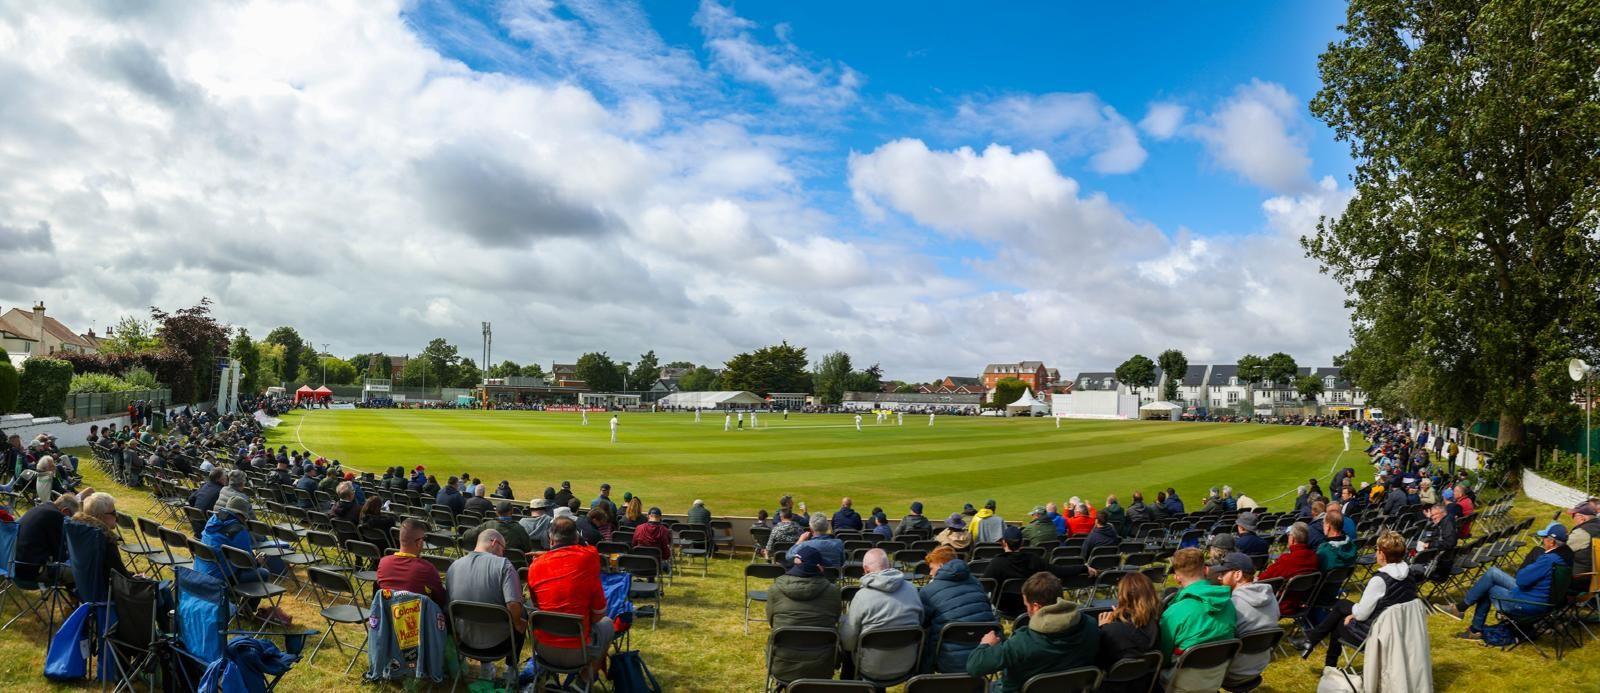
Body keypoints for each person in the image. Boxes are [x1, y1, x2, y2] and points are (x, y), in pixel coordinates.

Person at [966, 572, 1099, 693]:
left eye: (1026, 605)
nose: (1026, 609)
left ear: (1036, 606)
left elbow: (975, 666)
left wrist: (986, 644)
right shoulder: (1091, 625)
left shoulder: (1023, 642)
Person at [1441, 522, 1571, 638]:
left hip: (1528, 604)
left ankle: (1470, 623)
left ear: (1552, 542)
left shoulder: (1548, 560)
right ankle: (1463, 613)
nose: (1542, 541)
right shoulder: (1567, 556)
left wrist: (1531, 565)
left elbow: (1521, 580)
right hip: (1542, 600)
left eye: (1544, 538)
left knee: (1487, 587)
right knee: (1492, 573)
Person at [526, 517, 615, 669]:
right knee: (608, 624)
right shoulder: (590, 556)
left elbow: (536, 605)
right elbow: (599, 614)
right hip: (578, 651)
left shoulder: (535, 566)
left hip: (541, 649)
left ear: (550, 540)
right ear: (576, 537)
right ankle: (585, 679)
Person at [446, 529, 526, 676]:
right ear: (494, 543)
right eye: (503, 548)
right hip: (500, 644)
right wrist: (518, 623)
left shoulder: (453, 567)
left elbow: (449, 607)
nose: (503, 552)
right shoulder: (504, 565)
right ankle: (511, 669)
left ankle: (486, 667)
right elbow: (513, 604)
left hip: (465, 641)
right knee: (523, 613)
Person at [199, 496, 291, 624]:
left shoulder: (212, 521)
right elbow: (247, 562)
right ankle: (247, 610)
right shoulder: (239, 530)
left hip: (202, 570)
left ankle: (234, 601)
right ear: (240, 514)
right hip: (221, 576)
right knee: (263, 573)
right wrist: (257, 562)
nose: (246, 519)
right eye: (245, 516)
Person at [840, 548, 925, 679]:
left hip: (870, 667)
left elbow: (848, 643)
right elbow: (921, 620)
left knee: (847, 641)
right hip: (907, 663)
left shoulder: (861, 596)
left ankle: (848, 686)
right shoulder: (912, 589)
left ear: (866, 570)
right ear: (889, 566)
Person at [765, 545, 842, 683]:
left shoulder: (775, 589)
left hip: (782, 664)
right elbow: (835, 618)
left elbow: (771, 622)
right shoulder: (834, 591)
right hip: (822, 666)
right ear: (819, 567)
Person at [1157, 548, 1235, 669]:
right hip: (1217, 676)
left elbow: (1163, 659)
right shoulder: (1228, 603)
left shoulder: (1173, 613)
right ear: (1206, 570)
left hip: (1179, 682)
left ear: (1177, 578)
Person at [918, 546, 991, 673]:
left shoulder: (928, 590)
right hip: (982, 656)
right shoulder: (977, 583)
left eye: (931, 568)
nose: (930, 574)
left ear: (941, 566)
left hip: (947, 658)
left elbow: (922, 621)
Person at [1213, 553, 1279, 684]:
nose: (1219, 577)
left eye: (1224, 573)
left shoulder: (1232, 605)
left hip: (1232, 673)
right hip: (1259, 667)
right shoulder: (1271, 598)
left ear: (1237, 575)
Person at [1095, 572, 1162, 693]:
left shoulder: (1110, 631)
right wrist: (1122, 617)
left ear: (1122, 596)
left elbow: (1097, 664)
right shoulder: (1157, 625)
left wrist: (1103, 629)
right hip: (1146, 685)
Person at [377, 518, 448, 611]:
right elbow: (441, 600)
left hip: (389, 620)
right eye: (423, 539)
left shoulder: (383, 563)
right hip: (419, 622)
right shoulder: (426, 569)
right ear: (419, 542)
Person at [983, 526, 1092, 583]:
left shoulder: (997, 563)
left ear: (1004, 543)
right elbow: (1059, 570)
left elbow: (985, 584)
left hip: (1007, 605)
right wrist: (1083, 568)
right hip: (1027, 604)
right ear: (1021, 543)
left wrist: (1083, 568)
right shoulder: (1033, 559)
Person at [15, 493, 79, 582]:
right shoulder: (57, 517)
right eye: (72, 517)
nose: (71, 521)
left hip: (12, 567)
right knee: (79, 572)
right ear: (66, 512)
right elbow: (60, 555)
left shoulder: (40, 508)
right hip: (29, 573)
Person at [465, 501, 535, 554]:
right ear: (512, 511)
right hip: (513, 566)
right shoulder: (519, 529)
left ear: (496, 513)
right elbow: (528, 548)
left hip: (491, 563)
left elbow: (467, 535)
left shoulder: (487, 525)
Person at [1567, 502, 1600, 578]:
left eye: (1573, 516)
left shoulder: (1582, 533)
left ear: (1582, 518)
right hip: (1595, 577)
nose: (1573, 518)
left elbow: (1559, 550)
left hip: (1580, 577)